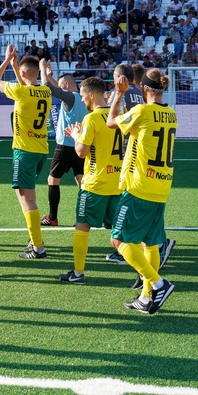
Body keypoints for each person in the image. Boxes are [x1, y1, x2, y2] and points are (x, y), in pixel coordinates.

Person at [105, 68, 177, 315]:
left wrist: (118, 93)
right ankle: (146, 297)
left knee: (119, 240)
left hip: (139, 186)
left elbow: (110, 121)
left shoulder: (142, 111)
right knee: (151, 242)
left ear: (144, 89)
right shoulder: (171, 114)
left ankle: (158, 284)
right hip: (161, 186)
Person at [0, 45, 52, 259]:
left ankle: (37, 247)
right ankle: (34, 238)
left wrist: (7, 61)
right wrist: (17, 67)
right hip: (41, 150)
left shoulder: (21, 92)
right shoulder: (45, 91)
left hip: (24, 151)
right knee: (25, 195)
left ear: (24, 74)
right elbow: (29, 86)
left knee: (27, 200)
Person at [58, 77, 122, 284]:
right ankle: (145, 271)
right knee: (120, 235)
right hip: (117, 183)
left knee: (82, 226)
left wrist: (76, 136)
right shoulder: (117, 115)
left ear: (91, 95)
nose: (82, 99)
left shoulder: (91, 118)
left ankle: (78, 273)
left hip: (95, 184)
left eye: (83, 95)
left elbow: (81, 152)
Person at [38, 63, 88, 227]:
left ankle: (52, 217)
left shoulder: (70, 97)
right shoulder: (84, 98)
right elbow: (59, 87)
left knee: (53, 180)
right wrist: (52, 76)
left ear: (66, 86)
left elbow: (49, 87)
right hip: (81, 144)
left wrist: (42, 70)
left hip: (65, 146)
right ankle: (83, 217)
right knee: (81, 181)